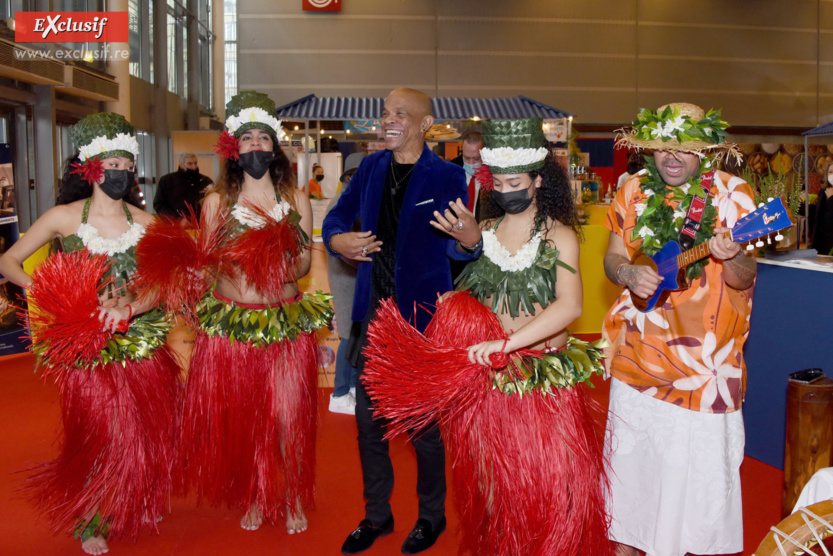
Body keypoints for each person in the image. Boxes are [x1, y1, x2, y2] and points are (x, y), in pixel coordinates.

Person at [361, 117, 614, 555]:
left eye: (514, 180)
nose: (504, 189)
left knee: (548, 482)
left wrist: (507, 344)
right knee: (493, 481)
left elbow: (569, 307)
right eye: (497, 180)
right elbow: (465, 289)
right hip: (487, 384)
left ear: (537, 180)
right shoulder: (487, 232)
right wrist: (455, 303)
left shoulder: (560, 235)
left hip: (538, 380)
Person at [0, 112, 179, 555]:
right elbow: (9, 261)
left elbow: (164, 285)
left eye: (125, 163)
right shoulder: (63, 218)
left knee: (145, 430)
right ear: (89, 167)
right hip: (86, 349)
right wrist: (55, 292)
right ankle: (93, 513)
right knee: (99, 433)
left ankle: (140, 496)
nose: (118, 172)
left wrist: (133, 306)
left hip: (140, 344)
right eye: (109, 163)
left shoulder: (147, 223)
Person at [323, 87, 481, 555]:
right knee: (369, 425)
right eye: (384, 113)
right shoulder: (369, 168)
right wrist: (339, 243)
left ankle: (430, 517)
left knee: (424, 430)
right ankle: (378, 516)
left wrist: (470, 241)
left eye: (399, 113)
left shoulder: (449, 176)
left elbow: (459, 250)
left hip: (422, 323)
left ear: (425, 122)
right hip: (374, 320)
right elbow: (336, 219)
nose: (387, 120)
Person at [602, 103, 758, 556]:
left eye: (685, 149)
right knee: (631, 483)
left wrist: (731, 255)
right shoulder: (630, 189)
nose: (672, 157)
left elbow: (745, 279)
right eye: (663, 147)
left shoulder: (733, 194)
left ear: (705, 151)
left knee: (699, 497)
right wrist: (628, 274)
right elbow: (613, 258)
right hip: (636, 358)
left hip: (704, 367)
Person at [176, 91, 331, 535]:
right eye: (248, 140)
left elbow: (302, 264)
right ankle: (254, 495)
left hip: (283, 320)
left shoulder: (295, 198)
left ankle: (294, 495)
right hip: (233, 324)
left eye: (264, 138)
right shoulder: (215, 203)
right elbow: (206, 267)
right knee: (246, 418)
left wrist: (278, 262)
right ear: (232, 148)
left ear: (275, 147)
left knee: (287, 415)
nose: (257, 146)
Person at [326, 152, 365, 415]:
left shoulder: (352, 200)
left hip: (353, 276)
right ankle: (339, 392)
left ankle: (349, 388)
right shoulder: (343, 202)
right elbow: (344, 248)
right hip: (346, 277)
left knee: (356, 337)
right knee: (348, 336)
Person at [152, 152, 213, 218]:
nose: (194, 167)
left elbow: (213, 203)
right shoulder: (167, 181)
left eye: (195, 163)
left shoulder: (205, 181)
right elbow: (159, 204)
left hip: (200, 223)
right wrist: (177, 219)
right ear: (181, 164)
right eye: (189, 164)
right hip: (175, 224)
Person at [450, 129, 485, 216]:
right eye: (467, 158)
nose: (471, 163)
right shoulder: (451, 172)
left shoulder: (494, 175)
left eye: (476, 158)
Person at [812, 162, 833, 255]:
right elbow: (819, 217)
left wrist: (831, 199)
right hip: (823, 242)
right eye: (830, 172)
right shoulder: (823, 191)